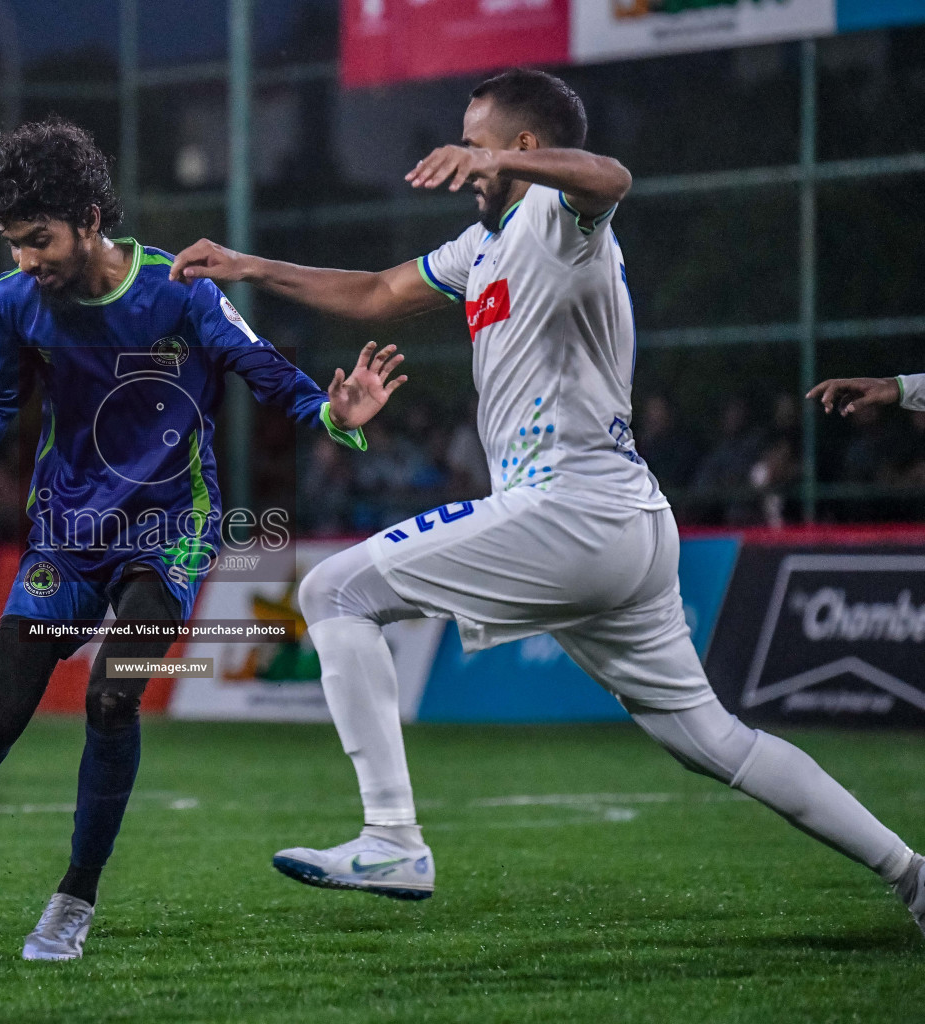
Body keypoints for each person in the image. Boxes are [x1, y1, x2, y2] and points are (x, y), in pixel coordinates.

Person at [170, 68, 925, 934]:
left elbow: (612, 179)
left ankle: (393, 839)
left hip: (572, 507)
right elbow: (378, 292)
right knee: (713, 740)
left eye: (474, 139)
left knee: (331, 590)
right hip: (621, 523)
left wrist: (533, 170)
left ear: (524, 150)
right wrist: (247, 267)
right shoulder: (479, 246)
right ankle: (914, 875)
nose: (459, 155)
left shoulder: (559, 219)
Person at [0, 118, 404, 960]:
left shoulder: (177, 289)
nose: (26, 261)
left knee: (113, 696)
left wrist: (334, 415)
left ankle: (74, 899)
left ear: (92, 220)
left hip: (171, 531)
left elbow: (261, 366)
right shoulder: (15, 303)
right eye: (13, 245)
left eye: (39, 240)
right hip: (67, 531)